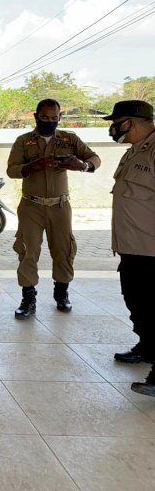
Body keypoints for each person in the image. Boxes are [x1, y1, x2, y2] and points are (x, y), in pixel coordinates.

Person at [6, 99, 100, 319]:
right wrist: (31, 166)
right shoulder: (23, 141)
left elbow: (94, 158)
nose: (50, 121)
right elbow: (11, 170)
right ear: (36, 116)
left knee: (64, 249)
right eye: (45, 117)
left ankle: (62, 294)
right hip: (31, 206)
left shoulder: (70, 139)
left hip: (60, 206)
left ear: (59, 117)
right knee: (27, 250)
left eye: (54, 118)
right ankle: (28, 299)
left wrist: (83, 166)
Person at [103, 100, 155, 396]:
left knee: (153, 308)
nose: (114, 128)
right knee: (137, 301)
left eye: (117, 122)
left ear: (131, 122)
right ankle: (147, 346)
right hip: (133, 248)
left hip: (151, 250)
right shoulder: (136, 150)